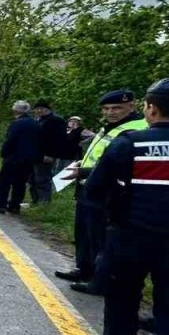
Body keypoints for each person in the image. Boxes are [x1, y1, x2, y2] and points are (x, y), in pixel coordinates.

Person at [86, 78, 169, 335]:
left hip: (130, 236)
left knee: (122, 297)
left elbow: (95, 190)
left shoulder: (132, 141)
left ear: (152, 109)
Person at [54, 90, 149, 295]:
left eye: (116, 108)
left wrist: (85, 171)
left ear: (132, 107)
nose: (110, 112)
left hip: (109, 191)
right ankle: (84, 269)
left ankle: (100, 279)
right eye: (106, 109)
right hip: (88, 186)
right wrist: (83, 165)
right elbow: (100, 156)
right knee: (84, 232)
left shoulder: (136, 129)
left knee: (100, 237)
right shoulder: (111, 127)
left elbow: (121, 165)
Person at [0, 100, 42, 214]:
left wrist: (4, 152)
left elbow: (10, 139)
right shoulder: (36, 123)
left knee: (4, 180)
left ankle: (1, 203)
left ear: (16, 110)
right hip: (29, 159)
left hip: (14, 157)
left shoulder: (17, 123)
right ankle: (15, 205)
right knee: (20, 183)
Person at [30, 100, 68, 205]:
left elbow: (58, 139)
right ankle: (35, 200)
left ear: (47, 109)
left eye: (41, 109)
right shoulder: (38, 120)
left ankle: (44, 202)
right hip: (35, 153)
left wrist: (51, 154)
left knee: (42, 178)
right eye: (37, 109)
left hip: (46, 154)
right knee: (32, 178)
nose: (39, 111)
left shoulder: (56, 121)